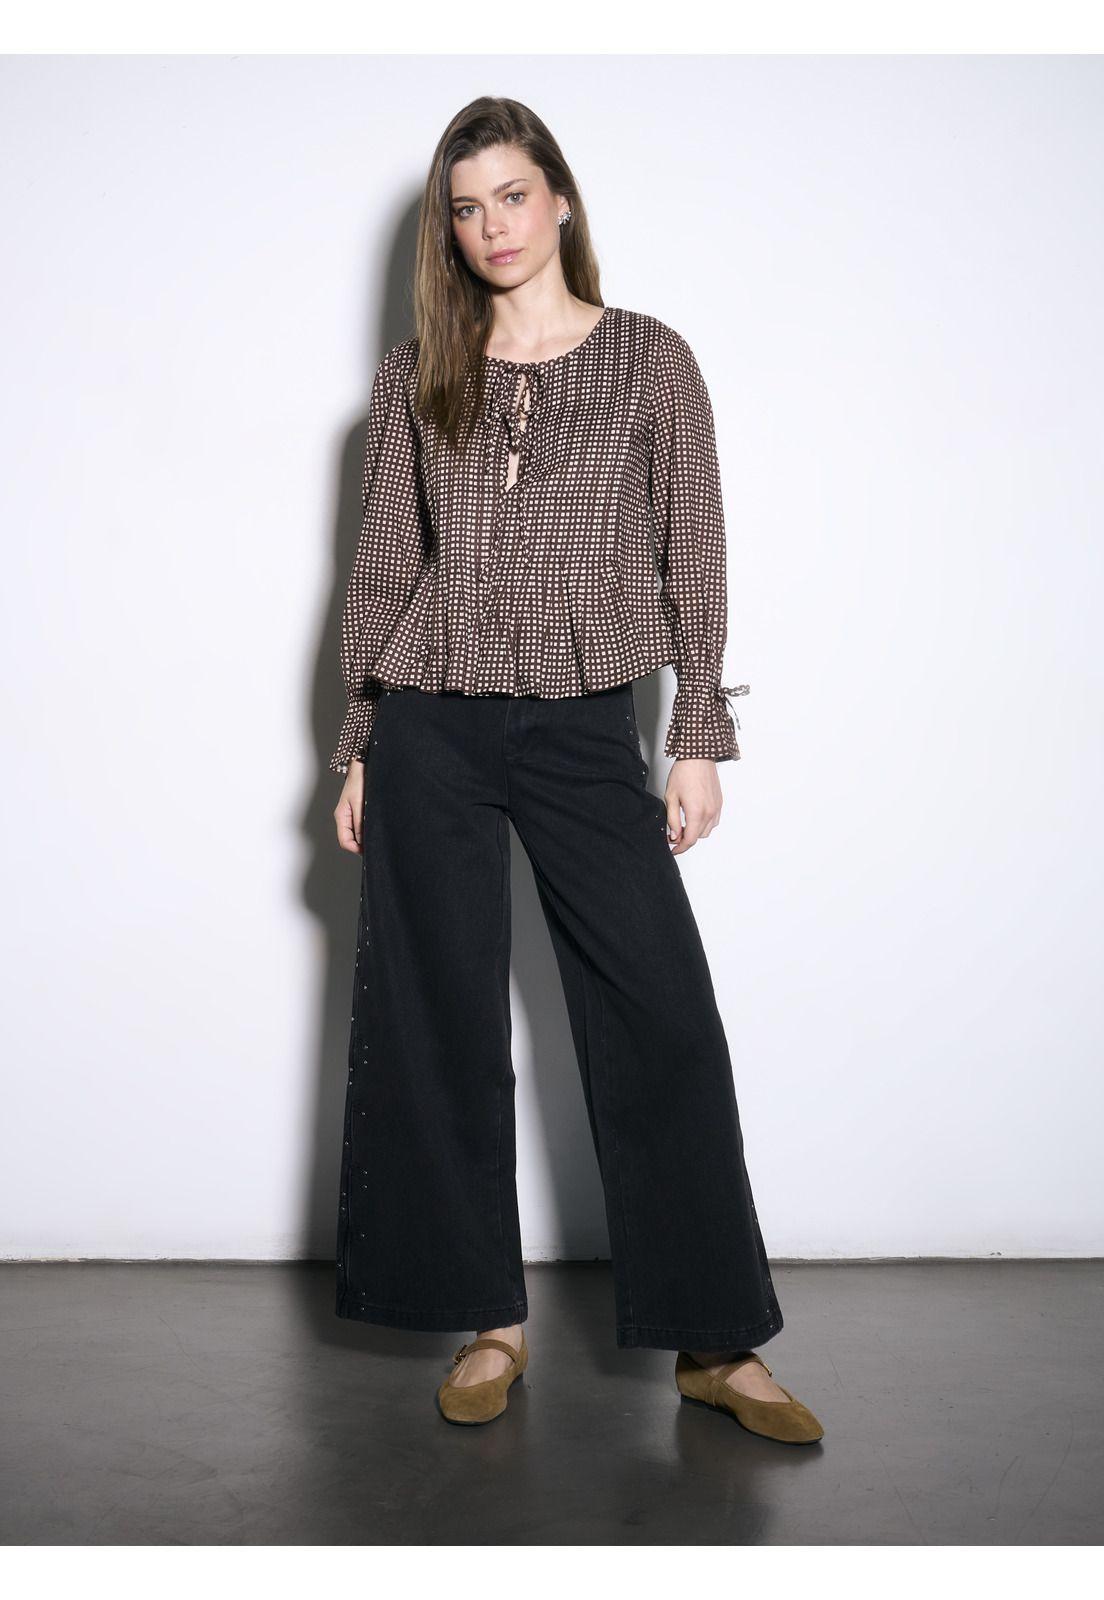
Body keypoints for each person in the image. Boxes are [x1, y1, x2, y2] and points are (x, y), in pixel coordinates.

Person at [328, 95, 823, 1444]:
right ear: (449, 231)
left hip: (586, 723)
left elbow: (694, 548)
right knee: (438, 1021)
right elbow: (383, 565)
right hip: (430, 722)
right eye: (466, 208)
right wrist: (361, 743)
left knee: (659, 1010)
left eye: (512, 195)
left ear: (559, 199)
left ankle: (716, 1342)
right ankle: (489, 1321)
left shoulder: (650, 359)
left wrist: (697, 733)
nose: (492, 227)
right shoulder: (417, 373)